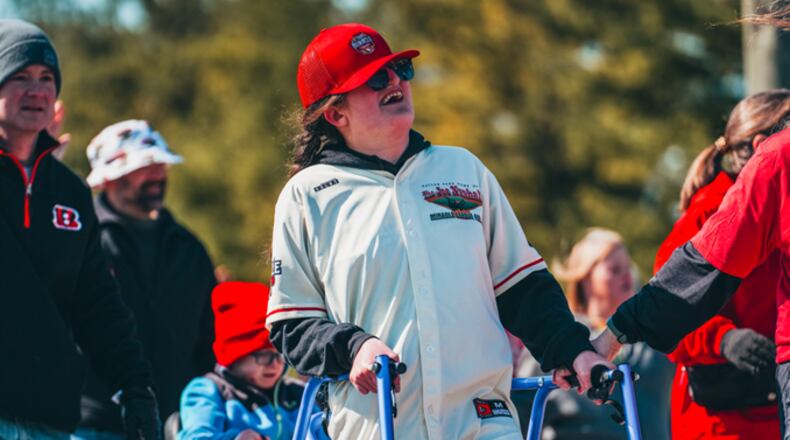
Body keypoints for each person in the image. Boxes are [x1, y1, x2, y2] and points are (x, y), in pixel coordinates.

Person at [265, 23, 612, 440]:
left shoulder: (463, 168)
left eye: (399, 70)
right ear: (335, 113)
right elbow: (293, 326)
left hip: (486, 422)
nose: (394, 81)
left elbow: (524, 288)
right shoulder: (307, 197)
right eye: (375, 79)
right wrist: (355, 347)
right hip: (378, 428)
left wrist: (574, 351)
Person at [0, 19, 158, 439]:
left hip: (49, 417)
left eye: (46, 78)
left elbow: (97, 302)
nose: (37, 90)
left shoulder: (70, 192)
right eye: (20, 77)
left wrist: (134, 386)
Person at [653, 91, 790, 440]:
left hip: (771, 406)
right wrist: (724, 338)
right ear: (763, 145)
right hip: (718, 417)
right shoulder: (709, 211)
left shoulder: (777, 205)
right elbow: (665, 307)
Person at [74, 120, 217, 439]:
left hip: (176, 425)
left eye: (160, 164)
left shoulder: (188, 248)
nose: (157, 175)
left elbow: (210, 340)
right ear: (108, 178)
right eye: (143, 166)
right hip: (94, 423)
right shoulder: (82, 238)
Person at [512, 229, 673, 439]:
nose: (626, 276)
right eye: (615, 269)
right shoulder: (560, 338)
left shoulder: (649, 332)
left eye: (628, 267)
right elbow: (522, 413)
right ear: (586, 278)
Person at [179, 282, 309, 440]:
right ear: (236, 355)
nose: (275, 363)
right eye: (264, 356)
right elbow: (197, 437)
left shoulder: (299, 394)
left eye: (280, 354)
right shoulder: (209, 392)